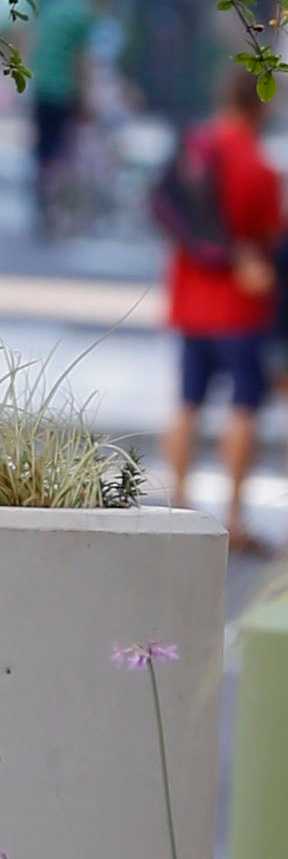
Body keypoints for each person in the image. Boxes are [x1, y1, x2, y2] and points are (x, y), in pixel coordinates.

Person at [160, 71, 283, 540]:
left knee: (187, 402)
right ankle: (234, 516)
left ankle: (180, 502)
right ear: (262, 105)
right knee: (244, 407)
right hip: (241, 307)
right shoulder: (260, 168)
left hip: (190, 300)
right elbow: (272, 236)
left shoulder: (197, 149)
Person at [26, 0, 103, 238]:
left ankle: (42, 198)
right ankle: (56, 204)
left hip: (41, 84)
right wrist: (86, 98)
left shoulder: (57, 2)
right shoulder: (84, 13)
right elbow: (80, 60)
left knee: (43, 149)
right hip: (63, 89)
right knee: (63, 150)